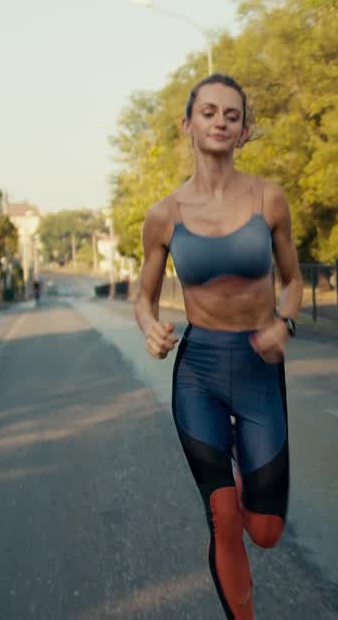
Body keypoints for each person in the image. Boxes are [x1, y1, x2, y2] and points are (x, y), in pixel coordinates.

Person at [134, 73, 303, 620]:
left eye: (231, 115)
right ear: (188, 124)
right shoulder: (165, 214)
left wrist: (284, 323)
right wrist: (151, 328)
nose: (220, 121)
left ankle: (242, 484)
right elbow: (144, 297)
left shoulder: (269, 199)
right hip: (199, 373)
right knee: (224, 518)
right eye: (208, 112)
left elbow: (295, 281)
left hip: (258, 368)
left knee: (267, 531)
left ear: (244, 131)